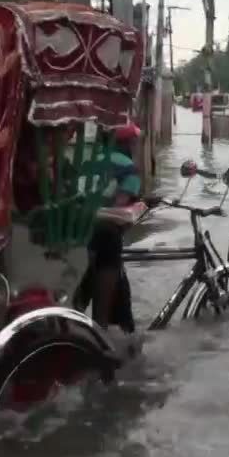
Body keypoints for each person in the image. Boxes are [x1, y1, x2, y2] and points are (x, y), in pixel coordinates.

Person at [75, 121, 145, 356]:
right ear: (126, 143)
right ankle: (100, 331)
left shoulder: (88, 160)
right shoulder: (128, 167)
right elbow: (120, 206)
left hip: (77, 231)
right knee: (110, 256)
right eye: (133, 141)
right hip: (103, 233)